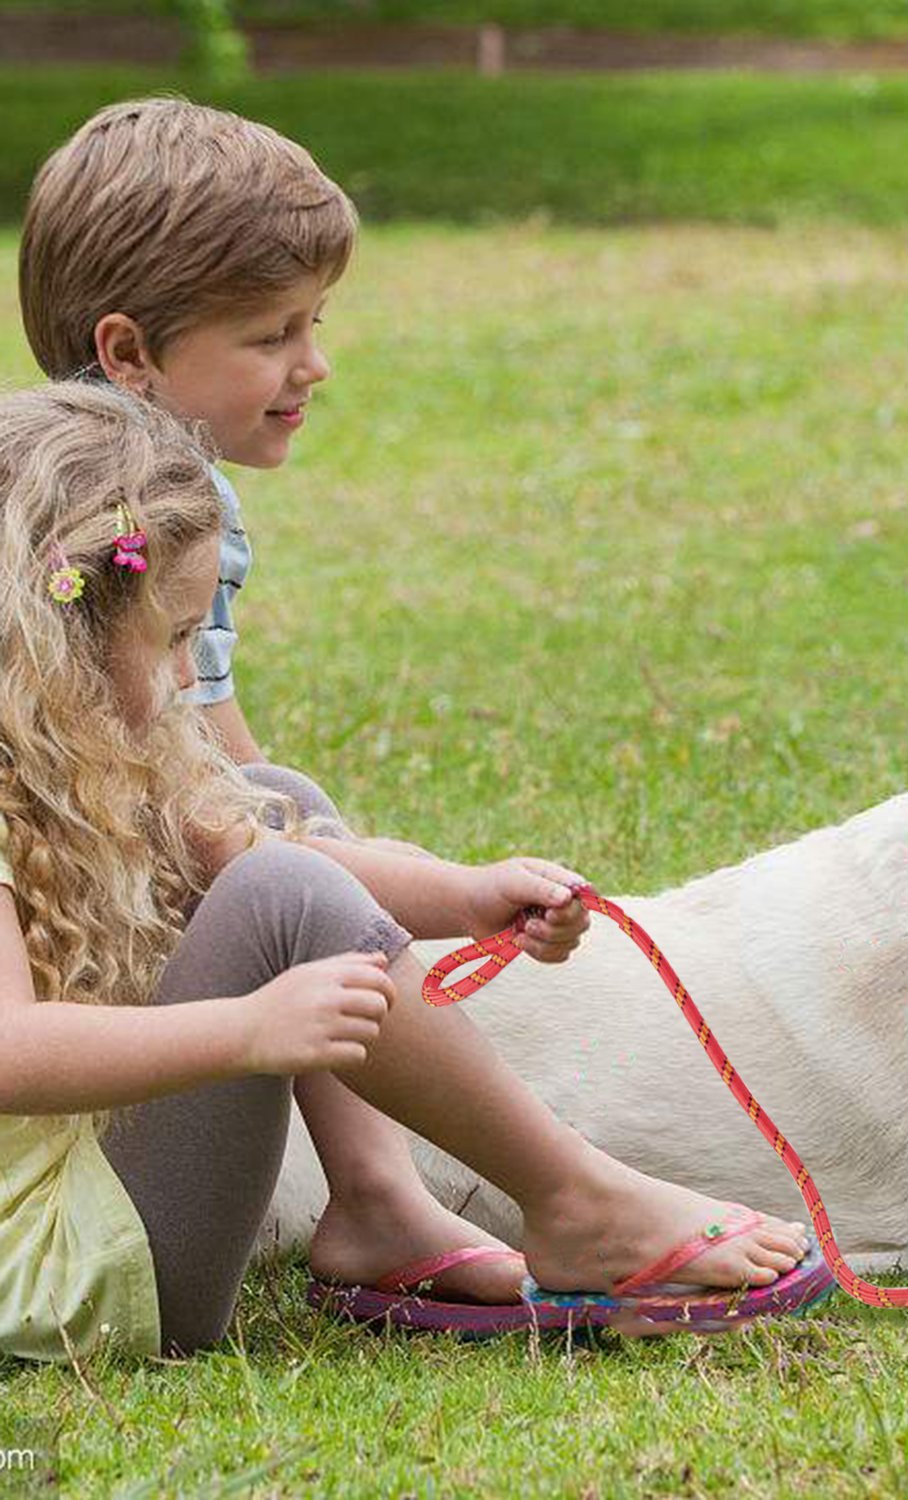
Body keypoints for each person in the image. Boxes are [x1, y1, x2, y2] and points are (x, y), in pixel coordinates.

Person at [0, 383, 822, 1361]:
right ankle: (571, 1196)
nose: (192, 677)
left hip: (105, 1189)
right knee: (275, 893)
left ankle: (381, 1202)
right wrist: (247, 1028)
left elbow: (271, 851)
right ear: (64, 633)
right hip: (66, 1270)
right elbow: (12, 1051)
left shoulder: (88, 750)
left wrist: (466, 897)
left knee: (268, 796)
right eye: (175, 638)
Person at [16, 96, 545, 1321]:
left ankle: (375, 1192)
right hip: (73, 1220)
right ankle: (496, 1194)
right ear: (128, 354)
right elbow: (216, 805)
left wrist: (440, 886)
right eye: (272, 332)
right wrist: (271, 991)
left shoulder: (139, 512)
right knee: (279, 858)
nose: (314, 363)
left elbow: (214, 784)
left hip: (106, 1018)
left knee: (280, 824)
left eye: (315, 321)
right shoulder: (98, 532)